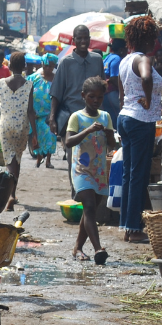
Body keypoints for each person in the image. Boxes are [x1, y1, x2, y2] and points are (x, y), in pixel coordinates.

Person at [117, 16, 162, 244]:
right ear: (149, 38)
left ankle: (127, 226)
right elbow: (146, 77)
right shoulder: (143, 59)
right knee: (138, 175)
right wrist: (147, 100)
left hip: (126, 117)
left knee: (129, 175)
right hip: (140, 121)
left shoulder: (125, 61)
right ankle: (134, 229)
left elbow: (120, 93)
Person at [65, 76, 115, 264]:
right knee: (90, 207)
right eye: (91, 97)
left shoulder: (106, 117)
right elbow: (68, 142)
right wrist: (88, 130)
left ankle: (77, 248)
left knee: (89, 212)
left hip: (99, 171)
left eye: (99, 98)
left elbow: (111, 144)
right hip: (81, 170)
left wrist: (110, 134)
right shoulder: (77, 117)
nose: (95, 101)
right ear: (83, 96)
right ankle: (98, 249)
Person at [0, 52, 37, 213]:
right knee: (16, 160)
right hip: (22, 126)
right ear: (24, 66)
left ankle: (10, 195)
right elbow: (31, 111)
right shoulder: (29, 84)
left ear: (9, 66)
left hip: (6, 125)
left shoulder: (2, 82)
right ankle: (11, 194)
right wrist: (36, 135)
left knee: (9, 162)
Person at [48, 26, 104, 141]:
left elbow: (103, 89)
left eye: (85, 38)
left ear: (89, 39)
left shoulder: (97, 60)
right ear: (74, 40)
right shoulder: (65, 62)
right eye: (79, 38)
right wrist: (52, 118)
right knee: (73, 157)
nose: (83, 41)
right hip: (71, 118)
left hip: (94, 118)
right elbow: (56, 93)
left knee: (94, 155)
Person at [28, 53, 58, 168]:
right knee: (39, 137)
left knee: (51, 136)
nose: (49, 68)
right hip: (36, 115)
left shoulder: (56, 79)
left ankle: (48, 160)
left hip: (50, 116)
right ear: (42, 64)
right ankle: (39, 158)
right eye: (47, 66)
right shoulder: (33, 78)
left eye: (51, 66)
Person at [102, 38, 126, 124]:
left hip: (105, 94)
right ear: (121, 50)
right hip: (111, 92)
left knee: (111, 118)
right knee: (120, 115)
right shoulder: (117, 58)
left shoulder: (108, 57)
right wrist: (124, 92)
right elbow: (114, 78)